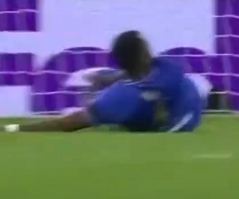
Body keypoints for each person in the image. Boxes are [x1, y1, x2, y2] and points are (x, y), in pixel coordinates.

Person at [3, 31, 206, 133]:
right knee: (110, 108)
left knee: (107, 113)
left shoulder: (124, 94)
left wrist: (19, 128)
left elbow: (69, 123)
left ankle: (111, 118)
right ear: (144, 54)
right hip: (191, 109)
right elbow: (70, 123)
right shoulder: (165, 68)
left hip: (179, 121)